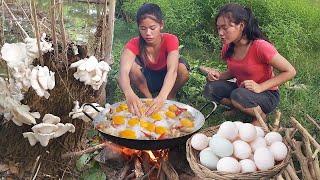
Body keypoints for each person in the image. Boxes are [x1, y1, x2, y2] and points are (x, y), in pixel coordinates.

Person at [203, 3, 296, 126]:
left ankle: (261, 115)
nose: (220, 33)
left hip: (267, 94)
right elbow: (236, 70)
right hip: (243, 90)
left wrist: (261, 87)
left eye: (225, 28)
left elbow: (290, 71)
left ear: (241, 26)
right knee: (211, 88)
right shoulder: (228, 47)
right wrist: (219, 75)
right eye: (218, 28)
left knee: (238, 95)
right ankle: (240, 108)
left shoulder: (260, 47)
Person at [118, 3, 190, 117]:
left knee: (182, 67)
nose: (148, 33)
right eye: (143, 28)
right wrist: (128, 93)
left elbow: (172, 71)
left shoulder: (170, 39)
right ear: (138, 27)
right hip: (146, 79)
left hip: (168, 77)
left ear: (161, 25)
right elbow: (123, 71)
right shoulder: (134, 43)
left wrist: (162, 96)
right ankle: (148, 98)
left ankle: (170, 95)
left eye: (152, 28)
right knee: (131, 66)